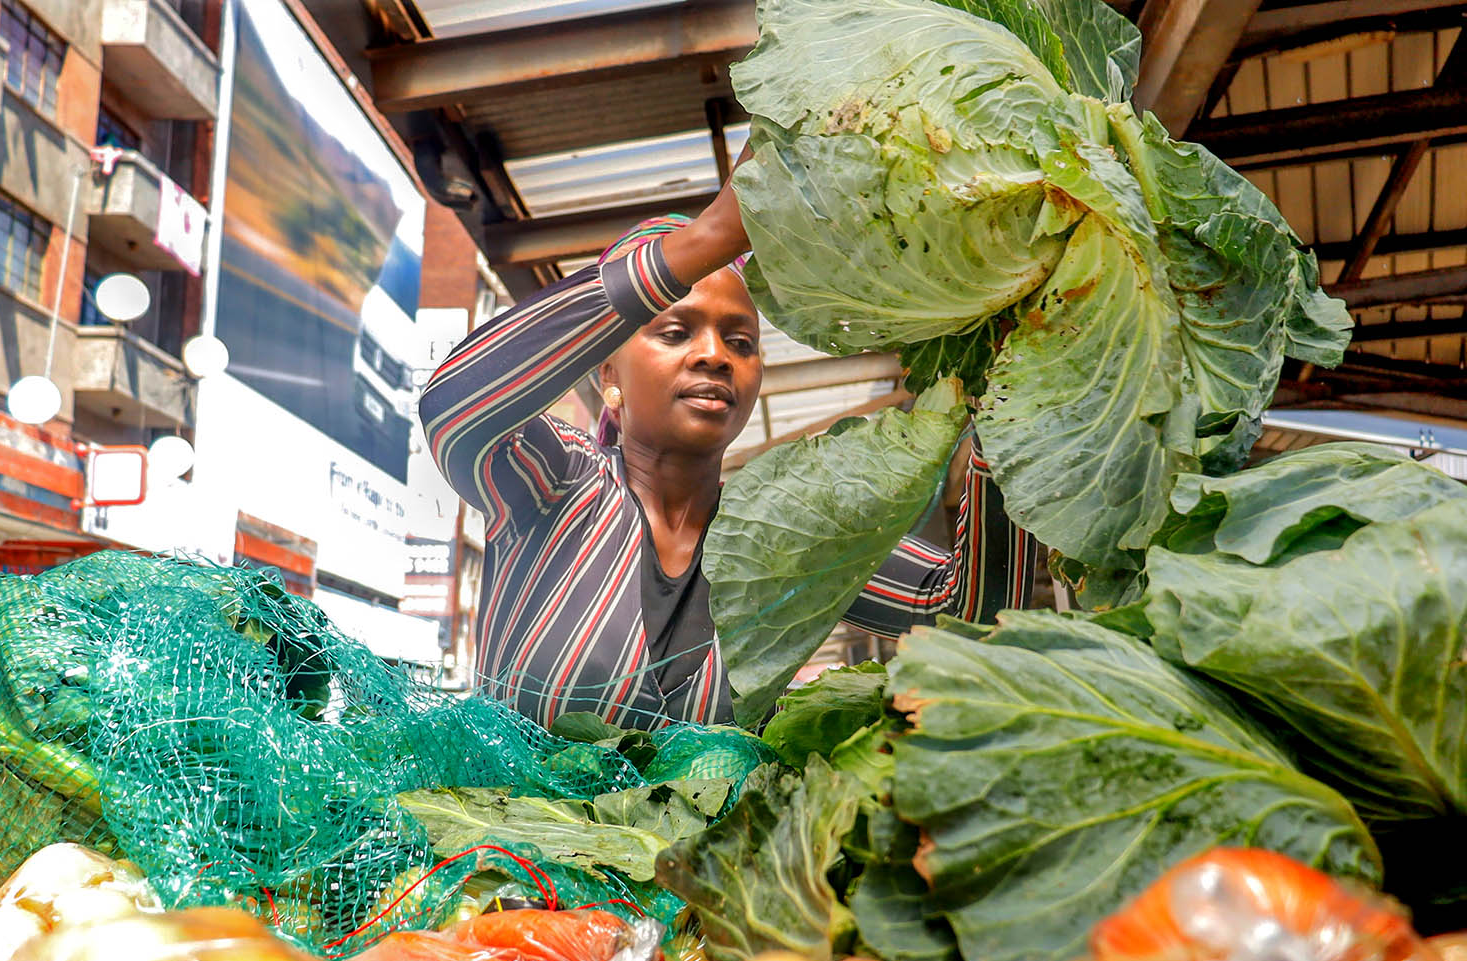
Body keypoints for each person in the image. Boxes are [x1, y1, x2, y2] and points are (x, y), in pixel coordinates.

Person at [420, 172, 1037, 729]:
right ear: (609, 375)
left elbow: (963, 618)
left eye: (740, 341)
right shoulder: (557, 485)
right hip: (515, 855)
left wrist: (1006, 398)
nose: (716, 354)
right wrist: (709, 236)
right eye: (675, 330)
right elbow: (454, 403)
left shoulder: (787, 534)